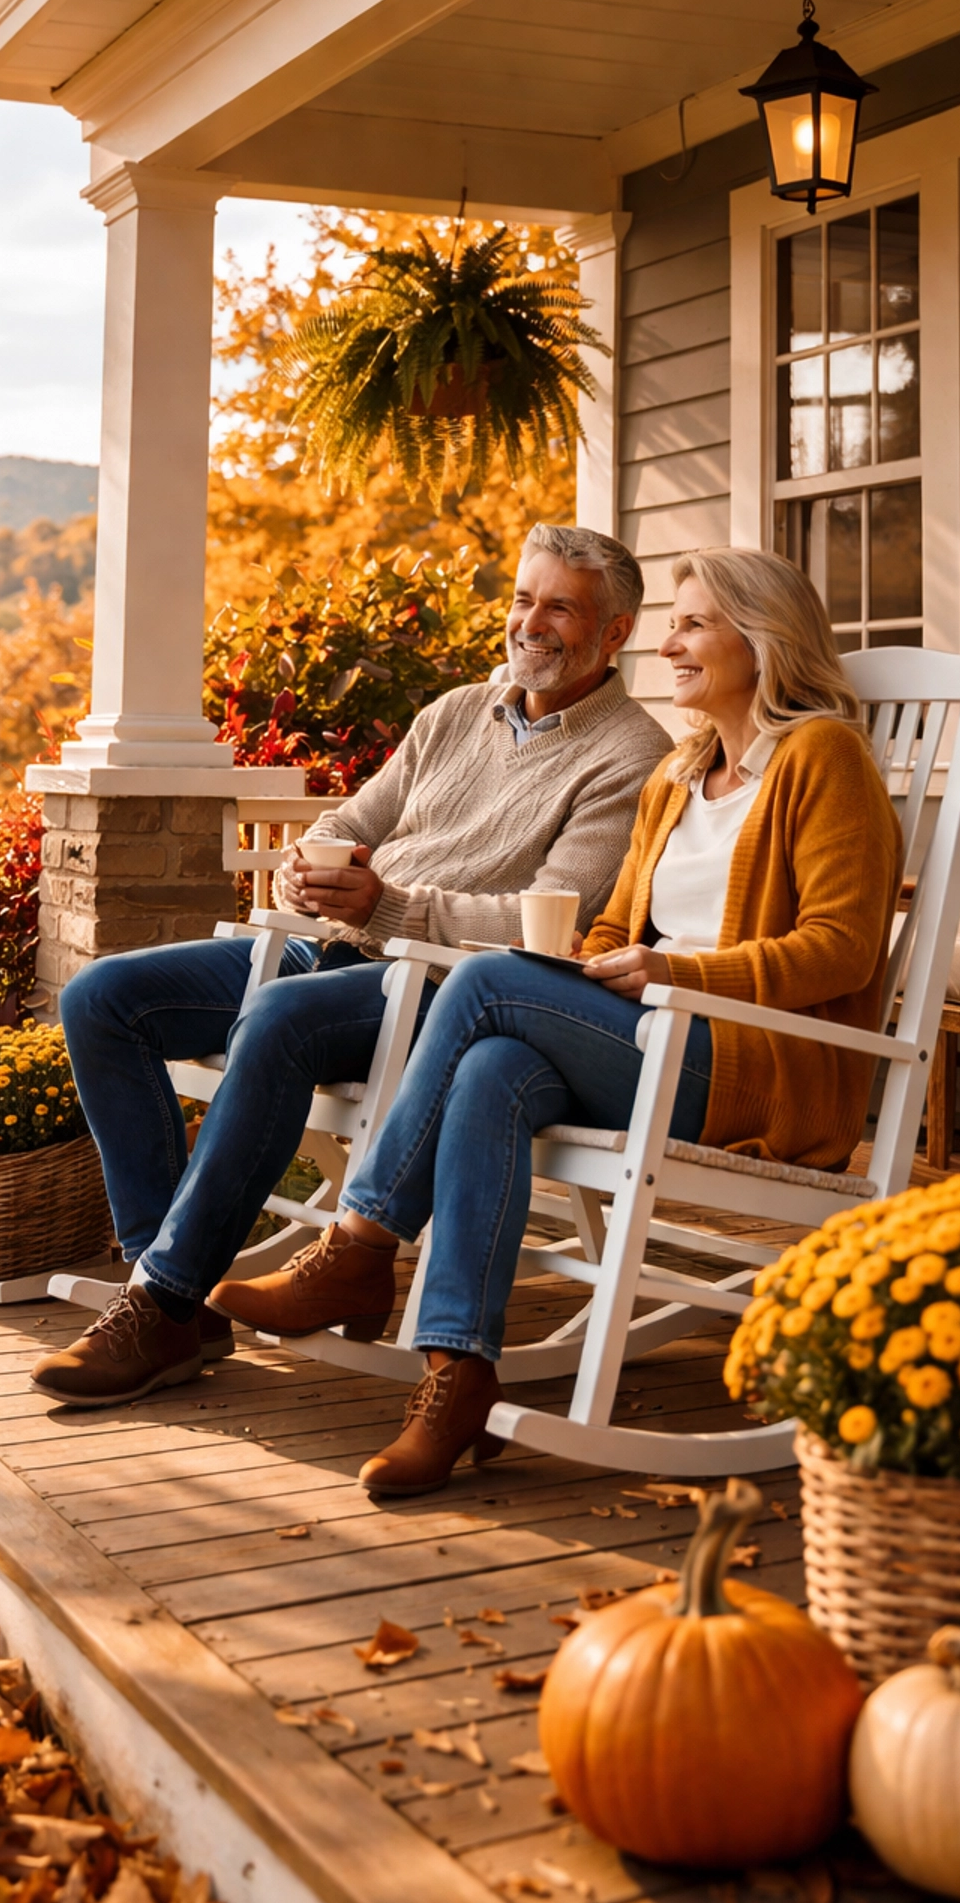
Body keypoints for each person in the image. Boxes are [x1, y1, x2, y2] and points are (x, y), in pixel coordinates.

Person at [213, 548, 905, 1496]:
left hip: (756, 1063)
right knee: (493, 1065)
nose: (669, 642)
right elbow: (618, 924)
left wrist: (675, 969)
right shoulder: (678, 774)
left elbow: (841, 950)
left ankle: (361, 1246)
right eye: (674, 623)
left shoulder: (824, 756)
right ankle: (457, 1375)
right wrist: (597, 959)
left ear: (764, 638)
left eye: (694, 624)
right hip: (653, 1035)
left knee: (484, 987)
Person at [31, 525, 673, 1406]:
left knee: (282, 1019)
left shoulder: (632, 757)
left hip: (446, 988)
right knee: (105, 997)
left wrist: (392, 908)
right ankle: (163, 1287)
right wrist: (312, 862)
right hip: (335, 942)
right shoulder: (455, 712)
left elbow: (549, 925)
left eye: (562, 606)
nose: (533, 622)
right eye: (524, 598)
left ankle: (163, 1298)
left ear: (615, 632)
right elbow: (352, 823)